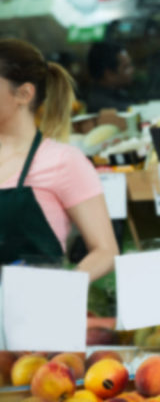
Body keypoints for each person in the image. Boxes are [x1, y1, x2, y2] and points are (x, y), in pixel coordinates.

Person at [0, 38, 118, 281]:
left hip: (32, 314)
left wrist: (62, 293)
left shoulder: (63, 162)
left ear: (24, 94)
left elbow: (105, 251)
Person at [86, 41, 135, 113]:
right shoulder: (106, 107)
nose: (132, 70)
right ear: (109, 74)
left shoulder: (119, 94)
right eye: (126, 67)